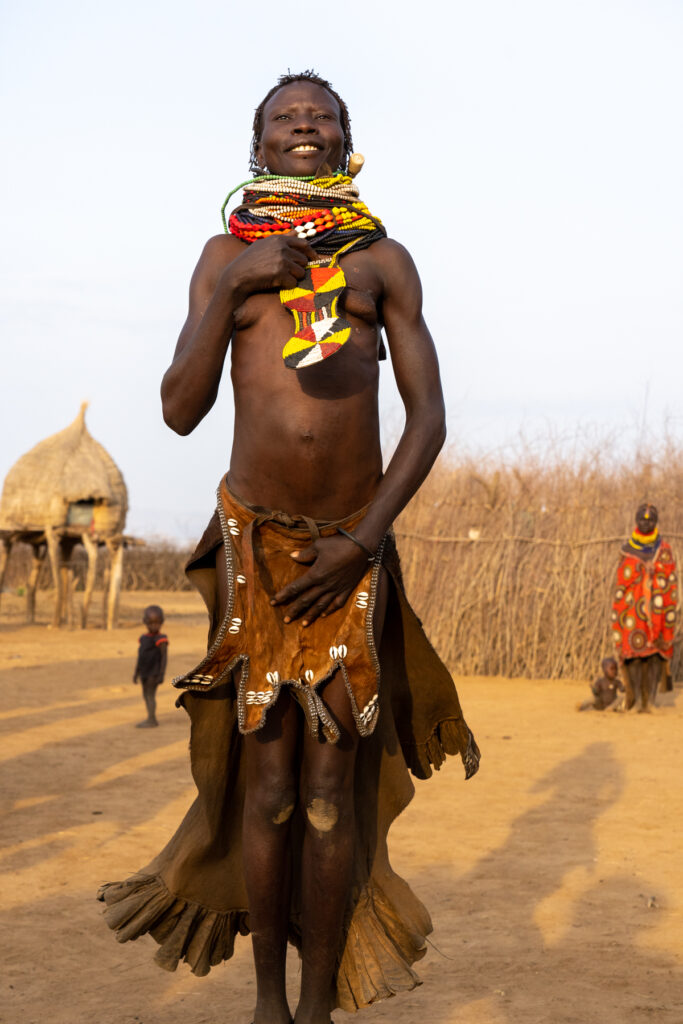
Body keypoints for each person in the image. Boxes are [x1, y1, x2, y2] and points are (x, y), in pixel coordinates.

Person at [98, 71, 480, 1024]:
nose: (303, 125)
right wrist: (232, 285)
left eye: (321, 116)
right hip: (256, 552)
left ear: (346, 142)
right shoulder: (225, 257)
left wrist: (363, 539)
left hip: (349, 558)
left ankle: (316, 1005)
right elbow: (178, 410)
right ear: (257, 144)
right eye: (285, 117)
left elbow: (427, 421)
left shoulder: (381, 261)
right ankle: (267, 1003)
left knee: (326, 791)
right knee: (267, 790)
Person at [611, 503, 677, 712]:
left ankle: (651, 701)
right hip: (633, 611)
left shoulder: (663, 549)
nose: (646, 522)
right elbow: (623, 580)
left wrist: (655, 570)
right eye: (642, 519)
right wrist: (641, 569)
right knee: (634, 654)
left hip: (657, 610)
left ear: (656, 522)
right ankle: (635, 698)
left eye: (650, 520)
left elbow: (670, 576)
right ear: (635, 521)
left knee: (655, 654)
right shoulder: (627, 549)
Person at [132, 604, 168, 727]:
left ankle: (152, 719)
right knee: (145, 694)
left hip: (154, 673)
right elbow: (140, 656)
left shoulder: (161, 639)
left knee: (150, 694)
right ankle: (150, 717)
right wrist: (136, 672)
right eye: (151, 623)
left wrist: (161, 674)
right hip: (144, 672)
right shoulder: (143, 638)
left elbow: (164, 658)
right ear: (145, 622)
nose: (154, 626)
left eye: (157, 623)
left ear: (161, 622)